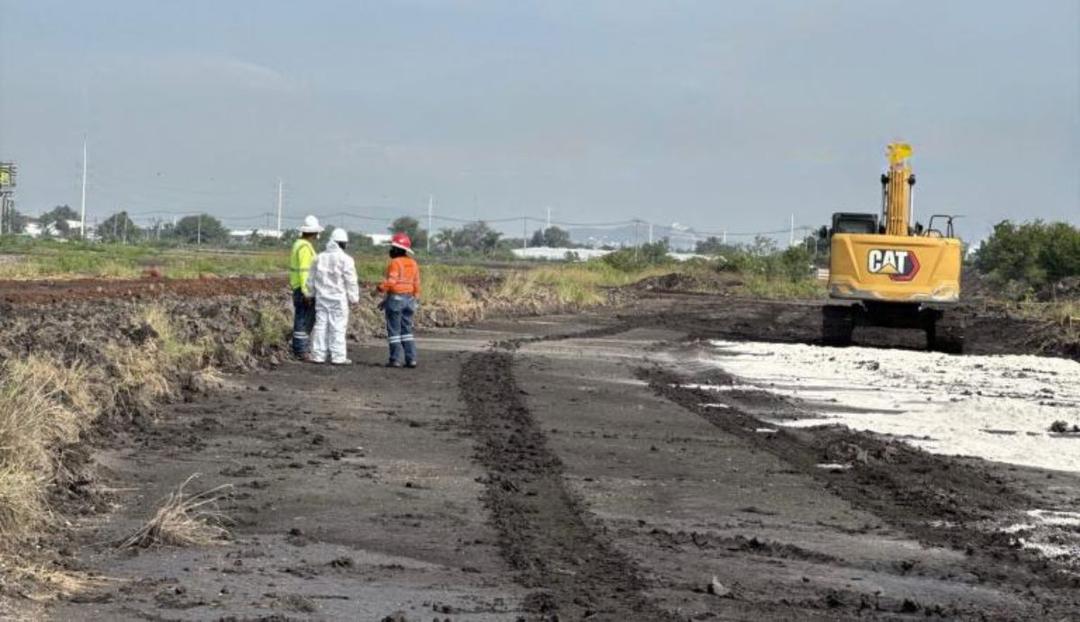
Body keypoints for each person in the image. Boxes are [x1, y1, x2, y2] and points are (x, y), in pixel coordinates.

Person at [307, 228, 360, 365]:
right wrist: (354, 298)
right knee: (338, 327)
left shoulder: (318, 257)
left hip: (321, 298)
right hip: (338, 300)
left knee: (320, 326)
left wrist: (310, 294)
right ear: (343, 243)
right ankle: (338, 357)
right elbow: (351, 280)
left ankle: (318, 355)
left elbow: (310, 279)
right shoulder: (347, 259)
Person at [377, 232, 421, 368]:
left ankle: (395, 359)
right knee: (407, 330)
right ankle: (411, 359)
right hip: (410, 300)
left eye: (392, 248)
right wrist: (416, 298)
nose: (390, 250)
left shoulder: (395, 263)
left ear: (396, 249)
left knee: (394, 331)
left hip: (396, 299)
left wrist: (379, 288)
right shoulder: (413, 263)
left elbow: (392, 281)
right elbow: (416, 283)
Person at [289, 215, 323, 360]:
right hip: (303, 289)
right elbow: (304, 271)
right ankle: (301, 350)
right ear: (315, 233)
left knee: (302, 318)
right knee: (303, 319)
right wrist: (307, 292)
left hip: (299, 287)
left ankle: (300, 348)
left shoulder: (299, 244)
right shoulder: (304, 247)